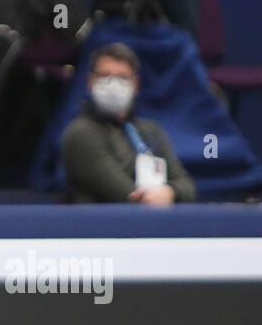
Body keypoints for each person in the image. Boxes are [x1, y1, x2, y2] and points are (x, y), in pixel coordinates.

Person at [61, 42, 196, 205]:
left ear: (136, 85)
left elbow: (187, 186)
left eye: (122, 77)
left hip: (150, 226)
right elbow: (131, 197)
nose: (113, 85)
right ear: (90, 82)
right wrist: (159, 197)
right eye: (105, 76)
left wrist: (171, 191)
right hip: (101, 228)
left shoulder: (151, 131)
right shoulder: (80, 133)